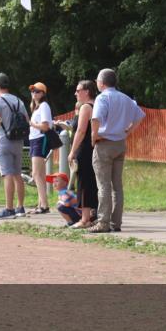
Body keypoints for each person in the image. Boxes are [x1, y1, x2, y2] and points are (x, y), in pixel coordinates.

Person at [88, 69, 146, 233]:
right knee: (117, 186)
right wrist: (128, 132)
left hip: (104, 143)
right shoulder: (126, 98)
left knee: (103, 185)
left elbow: (95, 119)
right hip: (120, 143)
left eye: (97, 80)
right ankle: (116, 222)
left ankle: (103, 222)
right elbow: (140, 116)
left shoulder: (102, 97)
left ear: (102, 82)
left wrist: (94, 137)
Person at [0, 72, 27, 218]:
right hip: (18, 141)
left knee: (7, 174)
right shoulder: (18, 101)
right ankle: (20, 207)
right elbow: (26, 120)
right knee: (17, 174)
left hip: (4, 141)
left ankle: (9, 208)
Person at [66, 80, 99, 229]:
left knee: (84, 183)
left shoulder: (86, 107)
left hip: (84, 149)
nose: (75, 93)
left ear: (86, 91)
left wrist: (72, 151)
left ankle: (85, 219)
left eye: (78, 90)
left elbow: (80, 131)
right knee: (92, 183)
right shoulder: (97, 105)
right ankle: (93, 215)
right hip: (94, 148)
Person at [27, 82, 54, 214]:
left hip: (40, 139)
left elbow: (45, 126)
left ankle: (44, 205)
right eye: (33, 91)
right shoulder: (37, 108)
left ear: (43, 93)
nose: (34, 93)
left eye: (37, 91)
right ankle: (41, 204)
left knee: (36, 174)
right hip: (34, 140)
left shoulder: (44, 106)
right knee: (40, 174)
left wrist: (32, 124)